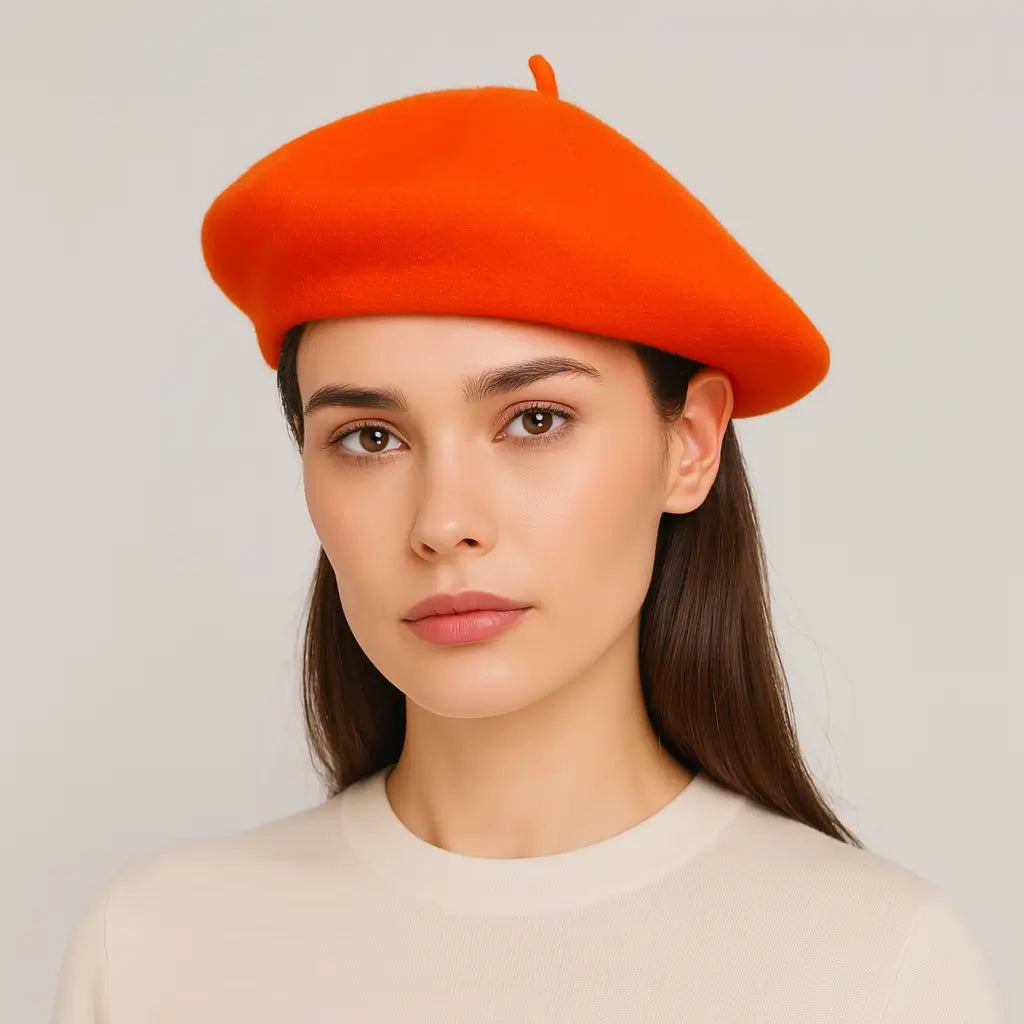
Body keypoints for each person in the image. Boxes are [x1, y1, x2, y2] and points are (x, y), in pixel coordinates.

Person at [49, 53, 1007, 1022]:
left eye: (534, 421)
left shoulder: (877, 969)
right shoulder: (156, 955)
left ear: (689, 444)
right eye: (369, 438)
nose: (444, 524)